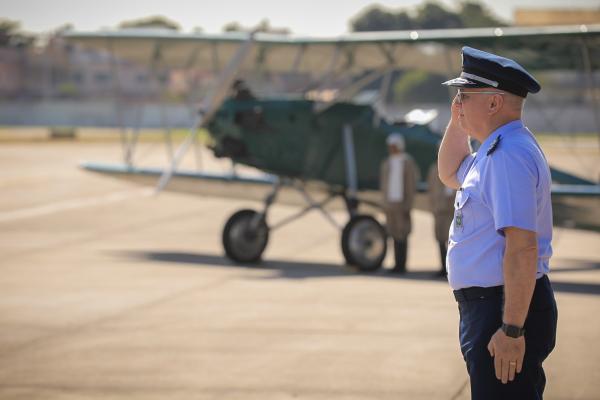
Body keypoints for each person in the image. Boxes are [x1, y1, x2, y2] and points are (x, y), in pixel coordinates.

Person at [438, 46, 557, 399]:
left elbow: (521, 247)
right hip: (488, 308)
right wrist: (457, 118)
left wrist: (512, 330)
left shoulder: (507, 156)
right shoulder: (494, 149)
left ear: (493, 104)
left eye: (465, 95)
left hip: (502, 311)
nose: (457, 102)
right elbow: (449, 172)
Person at [380, 133, 419, 273]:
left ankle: (402, 264)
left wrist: (408, 204)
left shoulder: (407, 162)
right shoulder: (387, 162)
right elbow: (384, 184)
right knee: (393, 233)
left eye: (393, 146)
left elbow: (410, 184)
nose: (391, 149)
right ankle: (396, 263)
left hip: (402, 203)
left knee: (402, 233)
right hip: (390, 203)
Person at [426, 161, 454, 276]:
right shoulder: (434, 169)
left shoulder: (456, 166)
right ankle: (443, 267)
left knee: (452, 240)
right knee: (440, 238)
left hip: (451, 210)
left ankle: (452, 268)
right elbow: (431, 189)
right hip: (438, 209)